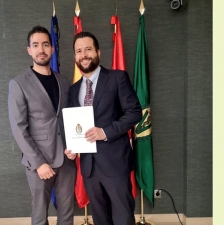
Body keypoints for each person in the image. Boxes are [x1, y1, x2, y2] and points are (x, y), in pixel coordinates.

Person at [64, 31, 142, 225]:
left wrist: (105, 132)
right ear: (75, 57)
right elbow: (76, 125)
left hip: (115, 163)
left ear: (98, 52)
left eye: (88, 49)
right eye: (79, 51)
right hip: (89, 167)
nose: (84, 55)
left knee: (123, 217)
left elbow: (134, 113)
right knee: (100, 218)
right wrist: (71, 147)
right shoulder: (73, 90)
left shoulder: (117, 78)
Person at [8, 25, 76, 225]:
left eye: (45, 44)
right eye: (36, 45)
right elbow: (18, 128)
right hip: (38, 162)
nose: (41, 49)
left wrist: (74, 147)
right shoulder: (18, 83)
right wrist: (38, 163)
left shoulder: (63, 81)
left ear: (52, 49)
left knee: (67, 214)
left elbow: (67, 118)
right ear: (29, 50)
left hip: (66, 159)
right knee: (39, 216)